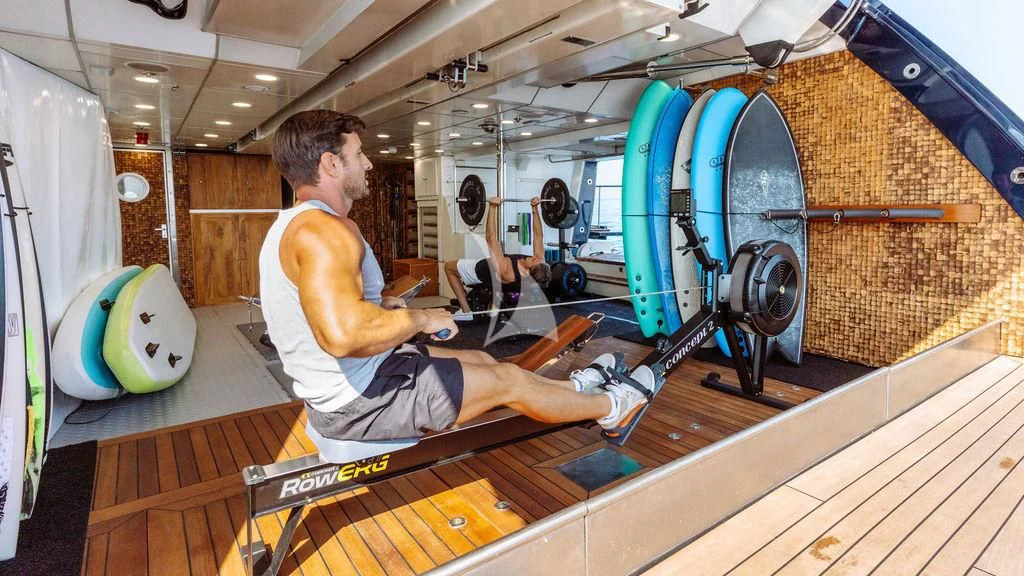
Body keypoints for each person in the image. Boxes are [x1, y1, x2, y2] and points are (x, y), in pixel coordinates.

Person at [259, 109, 655, 445]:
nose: (368, 164)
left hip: (360, 380)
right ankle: (614, 408)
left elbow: (326, 313)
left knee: (484, 357)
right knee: (507, 380)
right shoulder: (324, 231)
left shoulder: (298, 225)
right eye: (358, 154)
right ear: (330, 163)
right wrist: (422, 317)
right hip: (361, 402)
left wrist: (383, 307)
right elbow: (343, 336)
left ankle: (574, 389)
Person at [444, 196, 550, 322]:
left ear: (528, 271)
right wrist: (535, 208)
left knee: (449, 267)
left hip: (481, 270)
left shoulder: (507, 271)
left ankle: (466, 310)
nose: (534, 257)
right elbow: (538, 236)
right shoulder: (538, 265)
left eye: (533, 260)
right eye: (537, 258)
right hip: (493, 269)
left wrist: (493, 207)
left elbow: (491, 238)